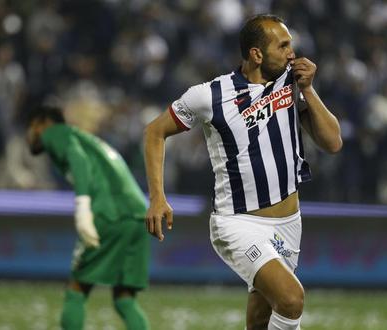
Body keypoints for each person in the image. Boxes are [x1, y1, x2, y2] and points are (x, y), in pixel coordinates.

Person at [144, 14, 342, 329]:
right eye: (284, 45)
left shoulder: (290, 84)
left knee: (261, 319)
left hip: (290, 225)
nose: (292, 53)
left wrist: (310, 90)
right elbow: (155, 132)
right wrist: (157, 197)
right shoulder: (209, 95)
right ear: (256, 54)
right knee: (291, 300)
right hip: (238, 223)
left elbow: (332, 142)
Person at [26, 105, 150, 330]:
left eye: (32, 127)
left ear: (43, 123)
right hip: (139, 215)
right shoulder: (92, 141)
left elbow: (76, 158)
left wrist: (83, 206)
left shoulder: (57, 133)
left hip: (110, 214)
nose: (30, 134)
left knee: (76, 289)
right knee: (124, 299)